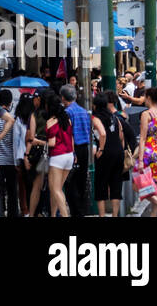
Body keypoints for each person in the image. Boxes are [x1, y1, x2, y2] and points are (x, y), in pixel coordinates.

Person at [91, 92, 128, 217]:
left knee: (101, 185)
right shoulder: (114, 117)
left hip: (105, 154)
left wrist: (100, 149)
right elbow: (121, 134)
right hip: (118, 152)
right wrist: (121, 151)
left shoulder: (95, 118)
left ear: (95, 105)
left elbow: (102, 133)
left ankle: (102, 215)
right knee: (116, 185)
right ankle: (114, 215)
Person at [136, 87, 157, 216]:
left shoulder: (146, 114)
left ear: (149, 98)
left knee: (138, 184)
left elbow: (143, 138)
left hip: (147, 152)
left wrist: (139, 161)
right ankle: (155, 213)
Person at [61, 84, 92, 217]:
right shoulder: (83, 111)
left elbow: (69, 134)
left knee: (70, 182)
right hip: (85, 148)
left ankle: (76, 211)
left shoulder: (67, 112)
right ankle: (82, 210)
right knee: (81, 180)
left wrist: (72, 153)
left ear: (63, 98)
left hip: (73, 149)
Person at [43, 94, 73, 217]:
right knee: (57, 189)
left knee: (55, 190)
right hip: (69, 155)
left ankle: (65, 215)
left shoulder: (50, 122)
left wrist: (37, 141)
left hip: (57, 156)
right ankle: (53, 215)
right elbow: (71, 139)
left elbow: (51, 143)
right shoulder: (68, 120)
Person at [0, 90, 17, 217]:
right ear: (10, 103)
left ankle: (0, 212)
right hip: (11, 160)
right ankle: (13, 214)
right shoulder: (14, 118)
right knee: (12, 191)